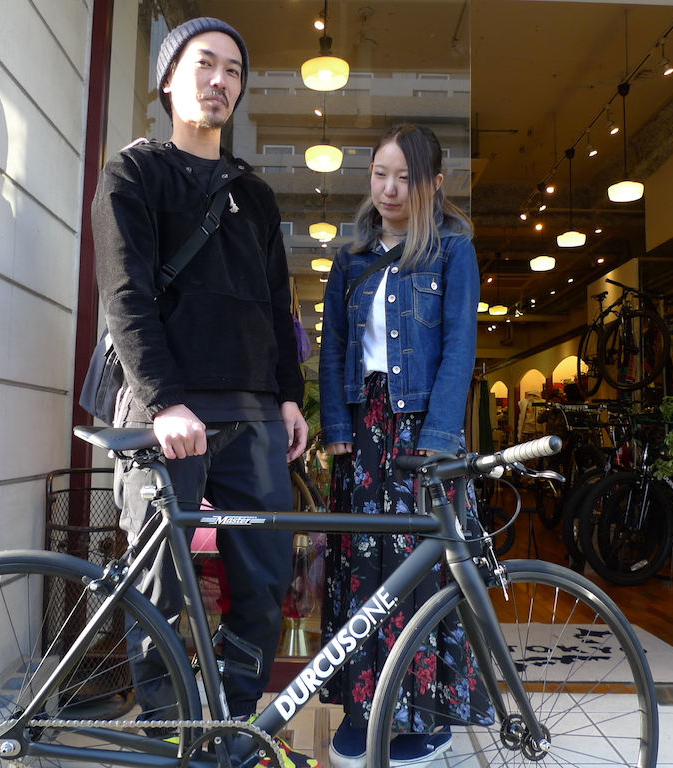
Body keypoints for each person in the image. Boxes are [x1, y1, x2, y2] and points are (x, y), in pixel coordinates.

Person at [91, 18, 314, 765]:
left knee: (265, 576)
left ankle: (235, 724)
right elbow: (126, 297)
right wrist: (163, 400)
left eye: (234, 71)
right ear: (167, 79)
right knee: (156, 581)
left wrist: (290, 396)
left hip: (252, 410)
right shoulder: (134, 174)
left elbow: (277, 304)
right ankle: (168, 734)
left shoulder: (255, 194)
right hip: (169, 411)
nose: (220, 80)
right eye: (204, 64)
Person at [318, 124, 485, 768]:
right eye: (379, 174)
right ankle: (364, 708)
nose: (389, 189)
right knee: (364, 568)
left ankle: (425, 714)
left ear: (434, 184)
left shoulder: (453, 252)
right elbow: (334, 349)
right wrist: (337, 428)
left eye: (405, 178)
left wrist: (439, 438)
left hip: (425, 430)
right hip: (365, 431)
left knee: (425, 571)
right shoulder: (350, 258)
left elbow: (459, 348)